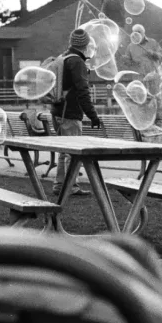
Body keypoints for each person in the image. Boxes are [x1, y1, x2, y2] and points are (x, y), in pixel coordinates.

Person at [51, 28, 102, 197]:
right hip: (70, 112)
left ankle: (59, 185)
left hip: (57, 111)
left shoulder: (63, 58)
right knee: (72, 153)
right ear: (85, 45)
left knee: (63, 150)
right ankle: (71, 186)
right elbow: (82, 91)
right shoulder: (77, 62)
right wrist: (93, 116)